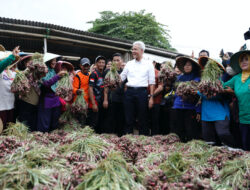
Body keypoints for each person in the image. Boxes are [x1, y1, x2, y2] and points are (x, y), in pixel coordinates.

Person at [197, 57, 235, 147]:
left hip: (220, 113)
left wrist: (216, 92)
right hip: (206, 113)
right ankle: (212, 156)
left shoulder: (221, 83)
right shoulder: (203, 82)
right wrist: (201, 92)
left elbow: (223, 96)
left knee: (223, 133)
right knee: (208, 138)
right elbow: (201, 95)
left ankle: (232, 150)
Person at [120, 41, 155, 135]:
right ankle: (128, 138)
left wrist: (151, 97)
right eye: (132, 49)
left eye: (135, 49)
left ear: (142, 51)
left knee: (143, 117)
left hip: (142, 93)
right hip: (129, 92)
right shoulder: (129, 64)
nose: (133, 51)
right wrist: (111, 78)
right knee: (128, 117)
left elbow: (152, 82)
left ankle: (143, 140)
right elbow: (122, 77)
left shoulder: (148, 64)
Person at [223, 50, 250, 150]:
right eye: (241, 60)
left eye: (246, 59)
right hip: (243, 119)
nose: (243, 62)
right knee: (246, 148)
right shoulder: (236, 78)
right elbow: (222, 86)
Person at [171, 56, 201, 142]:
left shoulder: (197, 79)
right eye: (185, 65)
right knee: (178, 130)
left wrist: (198, 111)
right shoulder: (179, 78)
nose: (186, 66)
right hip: (177, 107)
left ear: (193, 67)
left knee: (190, 131)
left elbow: (199, 97)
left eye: (189, 65)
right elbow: (175, 92)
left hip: (190, 108)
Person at [37, 53, 67, 132]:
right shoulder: (44, 71)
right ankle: (43, 138)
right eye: (52, 60)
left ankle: (53, 137)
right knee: (45, 122)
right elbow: (46, 83)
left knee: (54, 121)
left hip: (55, 100)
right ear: (47, 61)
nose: (54, 62)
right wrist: (57, 76)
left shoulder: (54, 71)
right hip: (46, 100)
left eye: (55, 60)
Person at [103, 53, 126, 135]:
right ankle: (109, 137)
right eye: (114, 60)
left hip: (122, 100)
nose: (116, 62)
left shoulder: (124, 72)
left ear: (121, 61)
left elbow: (126, 86)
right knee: (110, 119)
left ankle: (119, 137)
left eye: (118, 60)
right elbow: (105, 87)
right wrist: (105, 100)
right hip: (111, 99)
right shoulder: (108, 72)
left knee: (120, 120)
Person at [88, 55, 107, 133]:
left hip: (102, 102)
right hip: (95, 101)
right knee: (93, 122)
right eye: (99, 62)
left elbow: (106, 87)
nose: (101, 64)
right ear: (96, 64)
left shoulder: (105, 74)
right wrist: (93, 103)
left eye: (103, 62)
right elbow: (90, 88)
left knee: (101, 122)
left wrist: (105, 100)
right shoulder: (94, 74)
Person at [72, 58, 91, 125]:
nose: (86, 67)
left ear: (89, 66)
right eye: (84, 66)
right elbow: (73, 88)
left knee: (85, 120)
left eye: (87, 66)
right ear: (80, 66)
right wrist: (77, 91)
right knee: (79, 120)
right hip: (79, 102)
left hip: (87, 101)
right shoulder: (78, 76)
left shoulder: (90, 74)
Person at [149, 61, 164, 135]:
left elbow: (160, 87)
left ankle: (155, 139)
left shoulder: (159, 73)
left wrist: (150, 96)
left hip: (156, 101)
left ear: (154, 63)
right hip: (143, 100)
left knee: (155, 121)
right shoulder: (144, 72)